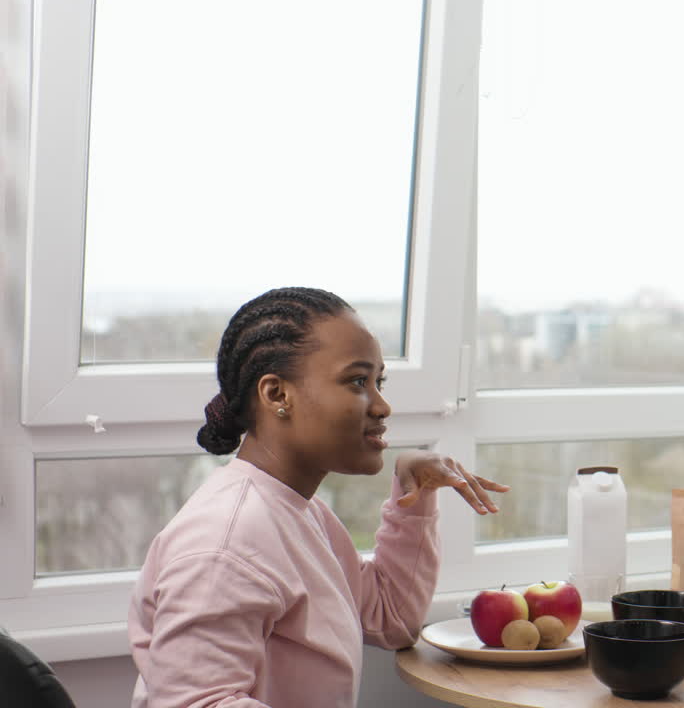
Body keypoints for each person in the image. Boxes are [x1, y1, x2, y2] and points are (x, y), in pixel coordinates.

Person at [128, 287, 508, 708]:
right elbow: (192, 703)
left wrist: (414, 497)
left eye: (378, 382)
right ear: (277, 395)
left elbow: (391, 619)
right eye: (357, 381)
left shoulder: (300, 512)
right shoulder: (227, 542)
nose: (382, 406)